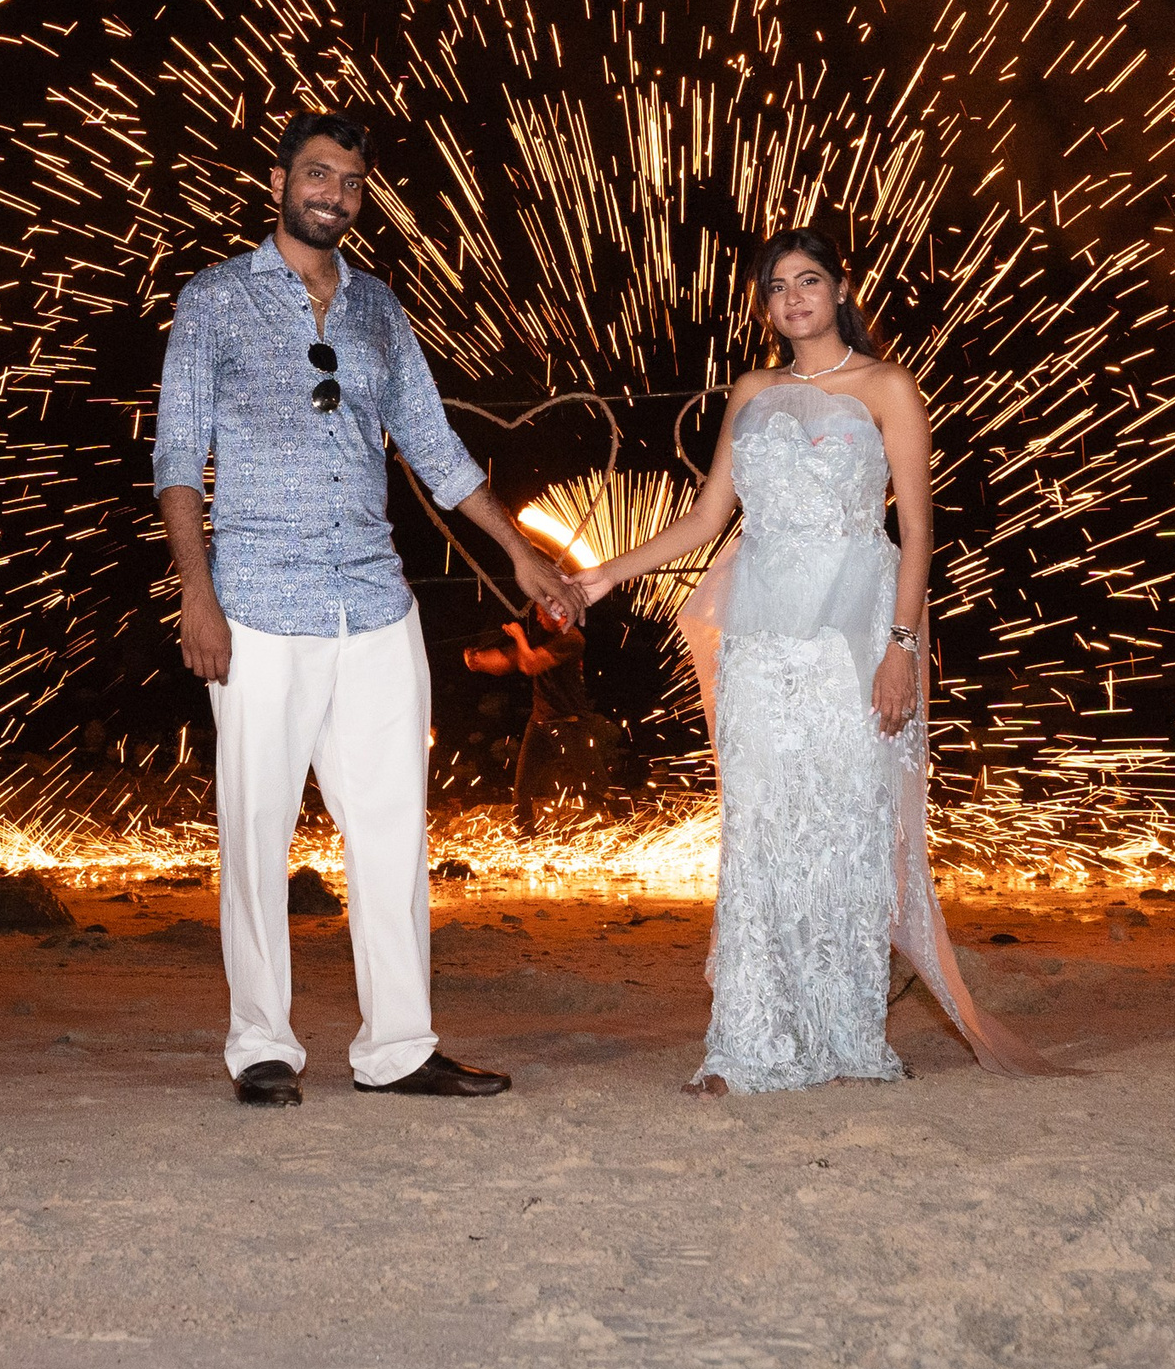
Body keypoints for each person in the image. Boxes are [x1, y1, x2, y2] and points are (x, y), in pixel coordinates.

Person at [154, 113, 584, 1106]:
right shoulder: (214, 299)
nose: (334, 194)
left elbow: (433, 451)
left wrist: (519, 554)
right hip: (257, 602)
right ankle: (261, 1042)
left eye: (350, 182)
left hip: (372, 602)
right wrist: (197, 591)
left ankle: (397, 1047)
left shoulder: (379, 307)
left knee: (392, 828)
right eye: (318, 174)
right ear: (279, 180)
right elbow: (177, 461)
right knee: (256, 828)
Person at [574, 228, 1066, 1093]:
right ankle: (749, 1044)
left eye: (809, 280)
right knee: (761, 833)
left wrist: (902, 649)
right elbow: (703, 522)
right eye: (776, 286)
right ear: (764, 306)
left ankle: (842, 1034)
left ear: (840, 290)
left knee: (844, 833)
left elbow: (916, 532)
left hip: (854, 637)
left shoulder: (887, 387)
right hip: (762, 642)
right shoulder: (753, 391)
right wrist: (601, 577)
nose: (792, 297)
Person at [461, 606, 625, 834]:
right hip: (539, 723)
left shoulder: (572, 639)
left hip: (569, 724)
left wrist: (519, 636)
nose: (537, 617)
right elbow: (511, 659)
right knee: (522, 789)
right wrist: (479, 661)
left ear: (560, 613)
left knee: (599, 783)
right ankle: (525, 834)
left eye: (541, 612)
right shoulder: (541, 634)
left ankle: (627, 820)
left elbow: (530, 664)